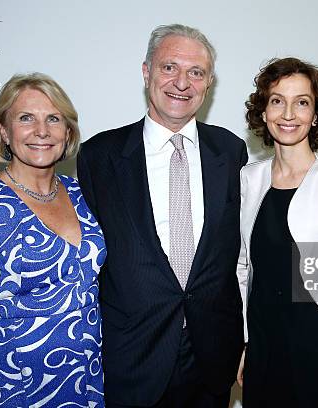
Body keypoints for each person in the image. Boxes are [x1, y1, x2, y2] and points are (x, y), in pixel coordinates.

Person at [77, 24, 248, 408]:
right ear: (146, 71)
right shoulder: (99, 156)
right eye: (169, 67)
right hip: (133, 355)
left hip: (211, 355)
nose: (182, 83)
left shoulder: (231, 151)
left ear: (209, 83)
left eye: (196, 73)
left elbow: (236, 256)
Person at [0, 73, 105, 407]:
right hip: (17, 389)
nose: (42, 131)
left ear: (68, 131)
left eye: (53, 119)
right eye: (26, 118)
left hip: (89, 384)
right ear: (3, 130)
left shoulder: (81, 194)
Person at [236, 57, 318, 408]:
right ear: (263, 112)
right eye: (277, 100)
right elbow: (242, 267)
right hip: (265, 340)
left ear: (315, 114)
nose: (289, 113)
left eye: (302, 102)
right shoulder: (247, 179)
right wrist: (245, 341)